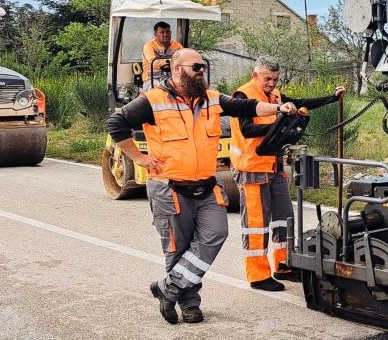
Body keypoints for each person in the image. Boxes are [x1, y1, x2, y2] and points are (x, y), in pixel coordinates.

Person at [107, 48, 295, 324]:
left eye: (203, 67)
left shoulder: (212, 99)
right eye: (195, 67)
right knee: (178, 249)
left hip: (206, 185)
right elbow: (116, 123)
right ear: (176, 69)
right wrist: (138, 157)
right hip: (169, 186)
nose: (201, 71)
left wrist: (278, 107)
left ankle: (166, 289)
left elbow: (247, 107)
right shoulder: (153, 100)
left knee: (215, 234)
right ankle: (190, 303)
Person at [230, 57, 348, 291]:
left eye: (275, 79)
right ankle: (258, 275)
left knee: (284, 219)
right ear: (256, 75)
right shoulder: (242, 96)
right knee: (256, 225)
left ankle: (283, 264)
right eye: (267, 79)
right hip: (251, 169)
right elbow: (246, 129)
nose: (272, 83)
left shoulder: (276, 97)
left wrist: (332, 98)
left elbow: (302, 102)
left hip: (274, 166)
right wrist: (278, 126)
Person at [141, 21, 183, 89]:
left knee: (186, 87)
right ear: (155, 34)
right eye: (162, 32)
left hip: (171, 78)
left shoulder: (177, 46)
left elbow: (184, 59)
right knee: (159, 90)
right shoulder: (149, 45)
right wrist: (172, 61)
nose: (166, 34)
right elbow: (154, 62)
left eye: (167, 31)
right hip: (152, 79)